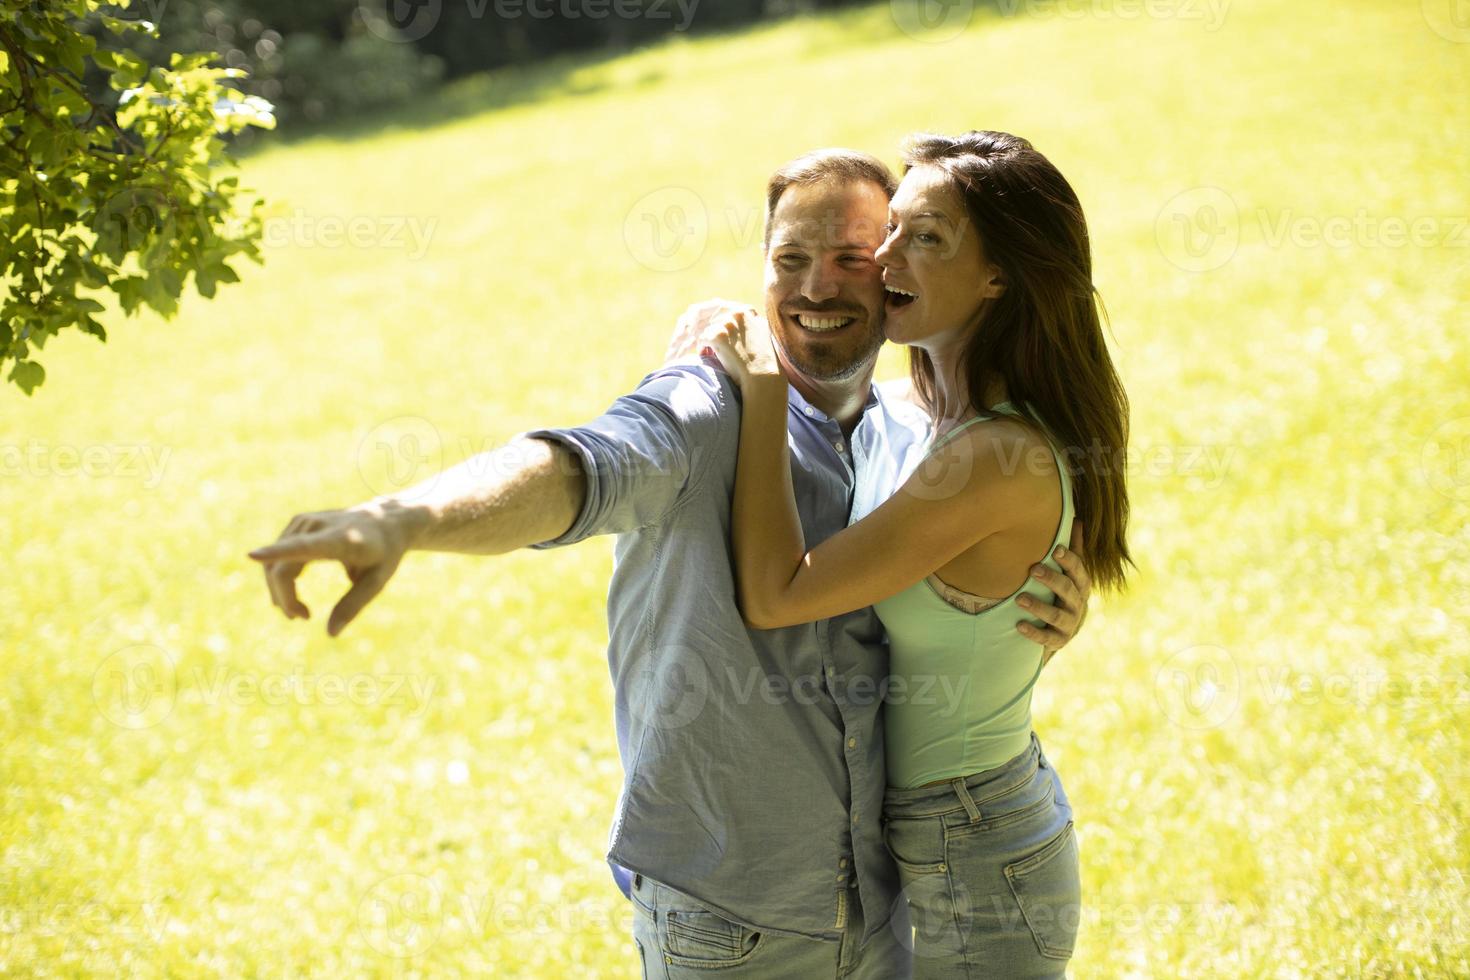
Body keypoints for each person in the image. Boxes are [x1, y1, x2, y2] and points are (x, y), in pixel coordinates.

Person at [246, 147, 1094, 978]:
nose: (815, 286)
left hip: (883, 898)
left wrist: (1033, 610)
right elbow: (579, 468)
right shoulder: (702, 404)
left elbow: (1006, 518)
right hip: (736, 923)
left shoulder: (915, 425)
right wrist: (400, 519)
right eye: (789, 259)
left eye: (853, 256)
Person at [701, 131, 1130, 978]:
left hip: (977, 843)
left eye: (925, 238)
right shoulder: (920, 413)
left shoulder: (988, 457)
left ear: (999, 276)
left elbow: (779, 592)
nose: (882, 257)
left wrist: (761, 394)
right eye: (891, 230)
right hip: (928, 828)